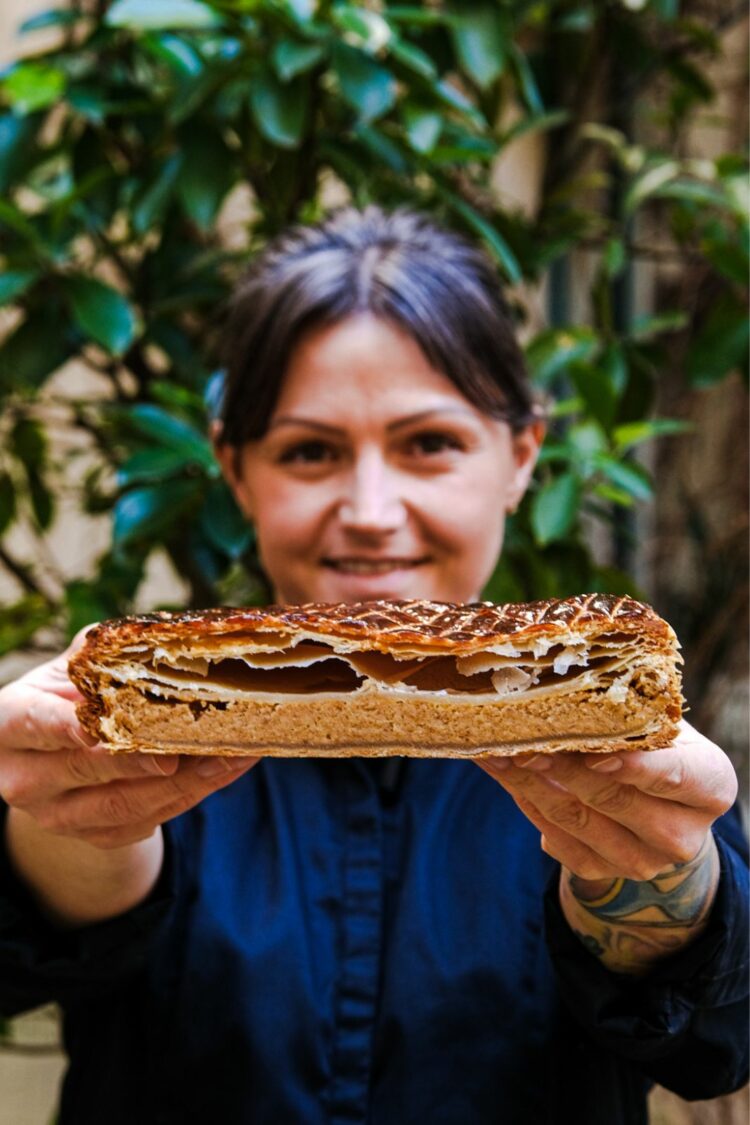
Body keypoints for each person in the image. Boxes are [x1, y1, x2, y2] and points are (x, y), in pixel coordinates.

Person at [0, 207, 746, 1125]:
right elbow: (46, 939)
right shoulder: (136, 710)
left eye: (429, 443)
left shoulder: (618, 731)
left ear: (521, 456)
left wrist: (654, 879)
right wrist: (68, 818)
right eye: (309, 451)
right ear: (236, 470)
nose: (370, 508)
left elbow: (716, 1037)